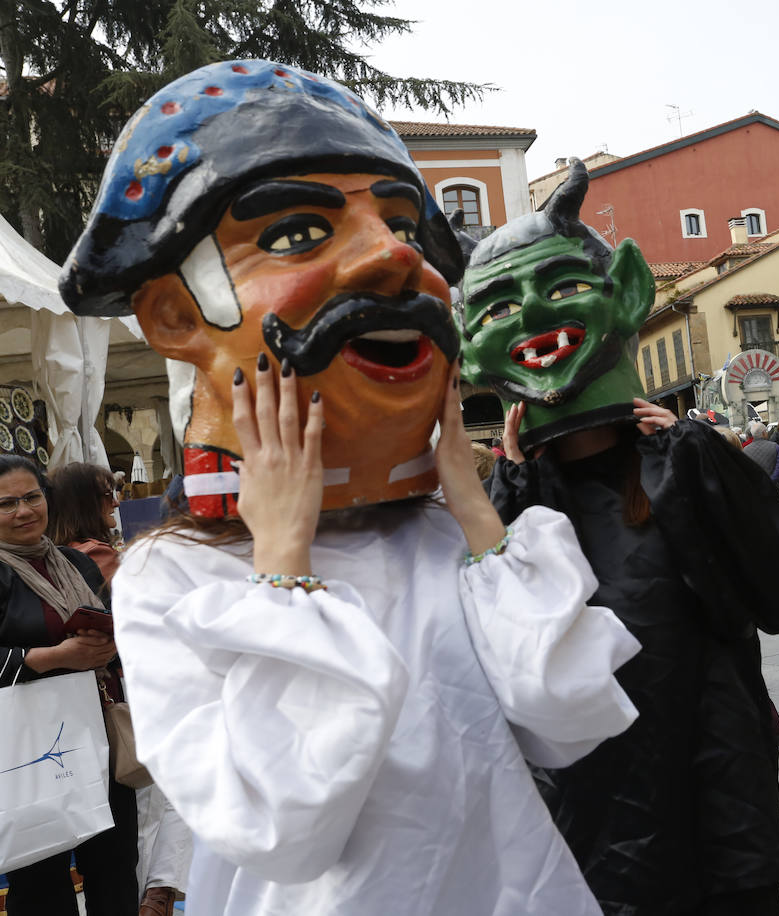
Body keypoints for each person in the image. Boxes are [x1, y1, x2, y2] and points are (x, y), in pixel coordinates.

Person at [60, 63, 640, 915]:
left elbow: (567, 722)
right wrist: (284, 560)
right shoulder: (169, 579)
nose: (397, 255)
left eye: (401, 222)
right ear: (177, 318)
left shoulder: (448, 539)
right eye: (297, 233)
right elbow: (283, 827)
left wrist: (476, 512)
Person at [466, 160, 779, 914]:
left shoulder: (688, 464)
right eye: (495, 306)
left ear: (622, 292)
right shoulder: (513, 503)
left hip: (711, 783)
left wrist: (699, 460)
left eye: (561, 286)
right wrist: (512, 486)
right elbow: (501, 666)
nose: (531, 311)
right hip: (588, 812)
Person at [47, 463, 191, 916]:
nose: (116, 501)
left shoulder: (60, 556)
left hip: (70, 715)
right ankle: (157, 894)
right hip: (124, 698)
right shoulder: (97, 557)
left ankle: (155, 893)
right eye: (108, 494)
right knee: (155, 800)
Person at [0, 455, 139, 916]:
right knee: (40, 878)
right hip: (26, 751)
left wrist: (109, 646)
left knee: (116, 865)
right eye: (6, 503)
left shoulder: (77, 563)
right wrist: (50, 658)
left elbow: (122, 630)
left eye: (32, 496)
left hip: (94, 735)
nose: (24, 511)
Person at [742, 420, 779, 489]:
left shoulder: (745, 450)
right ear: (764, 433)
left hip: (755, 487)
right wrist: (772, 479)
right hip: (774, 487)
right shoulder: (775, 446)